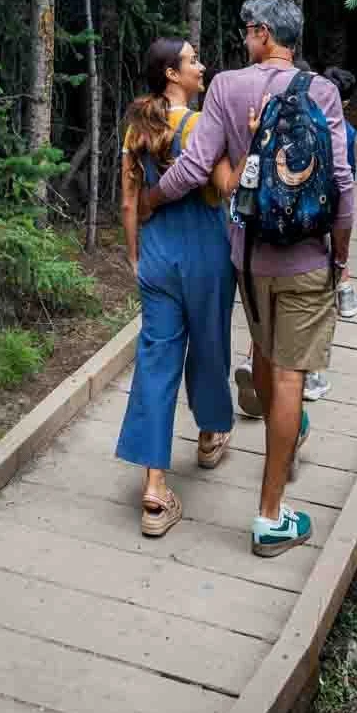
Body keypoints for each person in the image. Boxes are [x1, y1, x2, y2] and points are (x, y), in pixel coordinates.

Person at [141, 0, 354, 556]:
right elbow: (342, 182)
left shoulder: (228, 88)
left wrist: (149, 200)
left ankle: (287, 433)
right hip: (308, 256)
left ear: (262, 33)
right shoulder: (323, 92)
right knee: (291, 376)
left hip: (250, 256)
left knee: (265, 355)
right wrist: (341, 254)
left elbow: (192, 168)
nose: (242, 40)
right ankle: (270, 516)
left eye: (246, 31)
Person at [114, 38, 237, 537]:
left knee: (156, 359)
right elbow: (225, 188)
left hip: (158, 256)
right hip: (207, 252)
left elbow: (127, 203)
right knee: (210, 345)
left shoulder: (137, 128)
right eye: (192, 61)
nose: (201, 66)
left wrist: (135, 254)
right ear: (171, 74)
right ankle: (209, 436)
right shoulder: (206, 124)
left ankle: (155, 489)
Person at [305, 65, 357, 402]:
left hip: (286, 218)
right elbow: (346, 180)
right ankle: (344, 288)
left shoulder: (294, 123)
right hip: (326, 213)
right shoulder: (347, 132)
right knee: (317, 294)